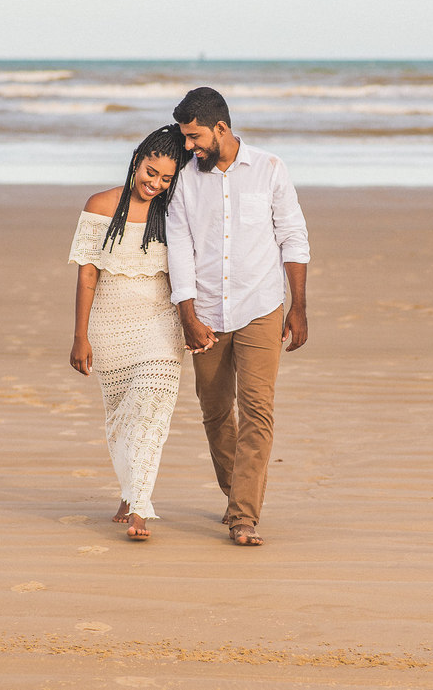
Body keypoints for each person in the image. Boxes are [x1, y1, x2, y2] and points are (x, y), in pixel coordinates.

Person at [167, 87, 310, 546]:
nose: (189, 146)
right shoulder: (185, 180)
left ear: (221, 128)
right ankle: (236, 495)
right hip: (206, 312)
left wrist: (299, 306)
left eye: (195, 137)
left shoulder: (270, 169)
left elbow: (293, 237)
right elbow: (181, 251)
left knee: (257, 410)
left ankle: (245, 514)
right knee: (214, 411)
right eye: (186, 139)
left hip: (261, 307)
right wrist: (187, 314)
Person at [68, 125, 190, 541]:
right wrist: (79, 336)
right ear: (137, 160)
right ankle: (128, 490)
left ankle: (140, 506)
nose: (155, 184)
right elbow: (87, 275)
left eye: (166, 179)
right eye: (150, 172)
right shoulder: (100, 206)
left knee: (151, 409)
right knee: (121, 416)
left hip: (161, 322)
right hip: (110, 324)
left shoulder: (174, 212)